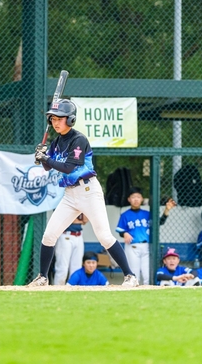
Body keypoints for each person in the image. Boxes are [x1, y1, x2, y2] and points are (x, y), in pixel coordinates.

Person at [28, 99, 139, 287]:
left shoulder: (78, 139)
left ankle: (130, 276)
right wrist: (42, 156)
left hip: (89, 192)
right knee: (49, 235)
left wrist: (46, 158)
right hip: (70, 195)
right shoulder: (56, 142)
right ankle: (42, 277)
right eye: (53, 119)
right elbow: (48, 167)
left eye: (60, 119)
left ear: (70, 120)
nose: (55, 122)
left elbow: (69, 167)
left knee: (104, 236)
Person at [115, 187, 176, 285]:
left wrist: (166, 210)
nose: (136, 199)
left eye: (138, 197)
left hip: (147, 246)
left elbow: (159, 222)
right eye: (133, 197)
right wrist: (125, 233)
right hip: (132, 246)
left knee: (148, 274)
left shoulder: (147, 214)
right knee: (134, 274)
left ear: (142, 199)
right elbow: (120, 230)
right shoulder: (125, 215)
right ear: (129, 199)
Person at [53, 213, 87, 285]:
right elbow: (67, 219)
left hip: (79, 236)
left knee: (77, 268)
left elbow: (85, 220)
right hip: (65, 235)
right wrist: (79, 219)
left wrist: (78, 220)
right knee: (62, 268)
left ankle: (73, 291)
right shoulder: (61, 201)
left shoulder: (81, 203)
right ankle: (57, 290)